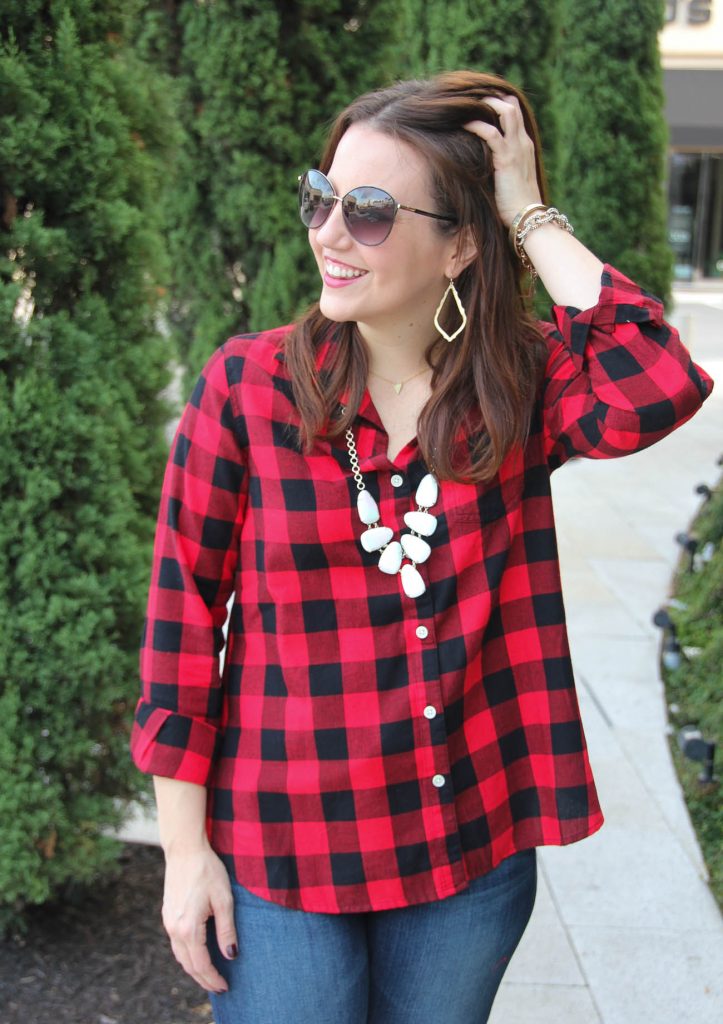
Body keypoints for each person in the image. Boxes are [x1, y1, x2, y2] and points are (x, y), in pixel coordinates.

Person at [130, 70, 713, 1024]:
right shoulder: (246, 387)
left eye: (366, 211)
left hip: (463, 849)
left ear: (459, 246)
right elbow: (180, 626)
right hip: (284, 843)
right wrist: (186, 854)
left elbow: (657, 379)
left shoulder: (514, 386)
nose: (326, 231)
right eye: (322, 197)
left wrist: (526, 213)